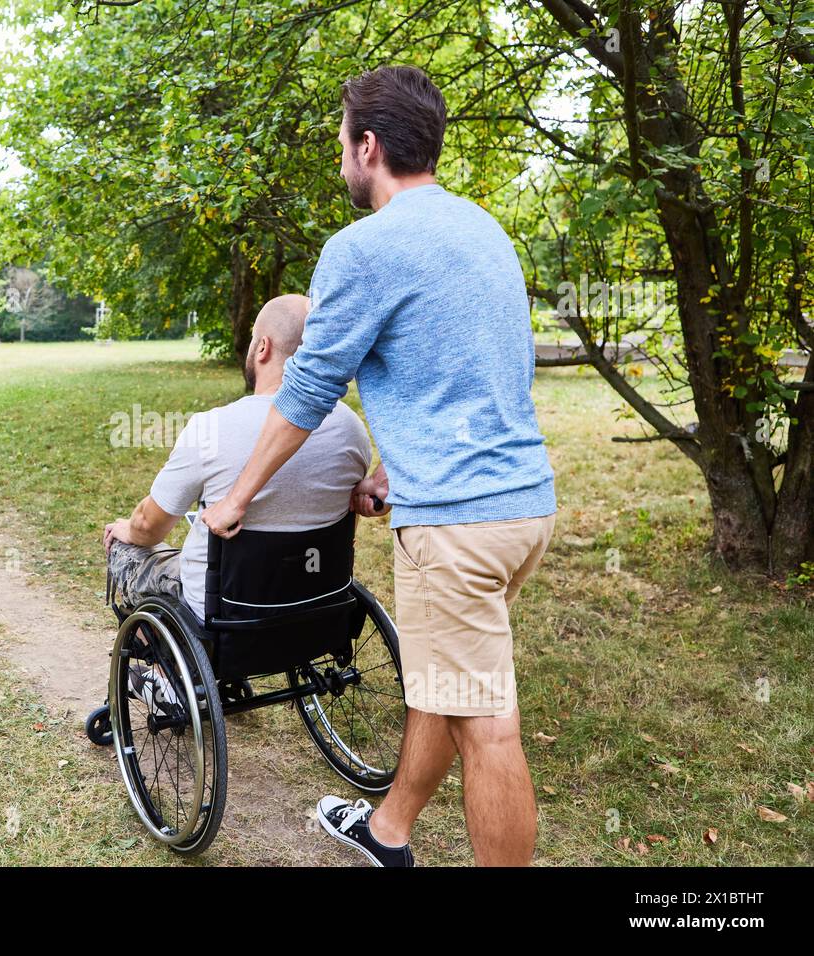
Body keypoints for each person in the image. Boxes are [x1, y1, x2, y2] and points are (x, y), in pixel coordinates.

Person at [200, 65, 556, 868]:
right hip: (523, 508)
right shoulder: (483, 230)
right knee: (448, 681)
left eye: (341, 146)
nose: (341, 163)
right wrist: (398, 469)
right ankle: (388, 831)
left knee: (488, 725)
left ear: (368, 146)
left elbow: (306, 391)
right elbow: (477, 369)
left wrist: (236, 497)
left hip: (460, 526)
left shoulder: (363, 250)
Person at [101, 294, 370, 629]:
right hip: (319, 600)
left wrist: (126, 529)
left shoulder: (211, 427)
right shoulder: (351, 427)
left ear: (262, 348)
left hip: (225, 610)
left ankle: (160, 672)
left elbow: (149, 525)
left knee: (128, 551)